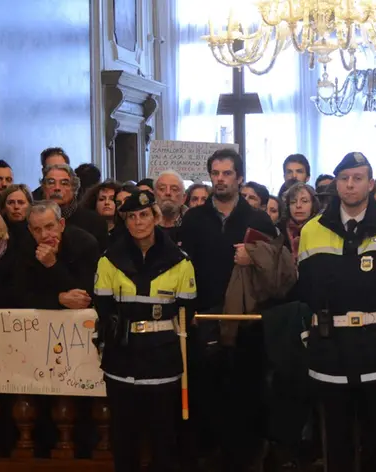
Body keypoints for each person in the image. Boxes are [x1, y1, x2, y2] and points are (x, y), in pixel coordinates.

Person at [298, 151, 376, 472]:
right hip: (330, 347)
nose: (350, 185)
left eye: (358, 178)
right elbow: (306, 289)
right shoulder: (311, 230)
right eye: (344, 179)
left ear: (371, 184)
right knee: (336, 442)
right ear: (336, 183)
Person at [179, 148, 278, 470]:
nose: (220, 180)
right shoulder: (193, 219)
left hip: (247, 322)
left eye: (227, 174)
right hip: (204, 320)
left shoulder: (257, 218)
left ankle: (248, 459)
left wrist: (254, 258)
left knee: (247, 396)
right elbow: (184, 267)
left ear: (239, 177)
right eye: (215, 173)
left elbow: (279, 266)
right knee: (208, 395)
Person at [93, 190, 196, 472]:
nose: (138, 222)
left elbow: (187, 312)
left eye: (144, 215)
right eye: (131, 217)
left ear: (156, 217)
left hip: (162, 357)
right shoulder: (109, 260)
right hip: (121, 357)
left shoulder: (180, 261)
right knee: (124, 436)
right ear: (124, 221)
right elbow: (103, 309)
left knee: (163, 437)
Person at [21, 201, 99, 309]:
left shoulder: (85, 243)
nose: (44, 235)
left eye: (49, 227)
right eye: (37, 230)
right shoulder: (25, 247)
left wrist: (52, 264)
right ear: (30, 230)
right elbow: (23, 296)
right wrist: (59, 299)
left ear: (61, 225)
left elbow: (84, 297)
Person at [41, 163, 109, 251]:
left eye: (64, 183)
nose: (57, 188)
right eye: (51, 183)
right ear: (43, 188)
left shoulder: (95, 222)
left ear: (74, 189)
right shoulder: (33, 220)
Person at [283, 182, 320, 263]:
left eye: (304, 201)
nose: (298, 205)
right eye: (293, 202)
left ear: (313, 205)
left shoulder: (322, 229)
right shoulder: (279, 230)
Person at [155, 170, 187, 244]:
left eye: (174, 189)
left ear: (183, 198)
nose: (168, 193)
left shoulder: (193, 225)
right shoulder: (144, 225)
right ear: (154, 195)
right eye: (162, 189)